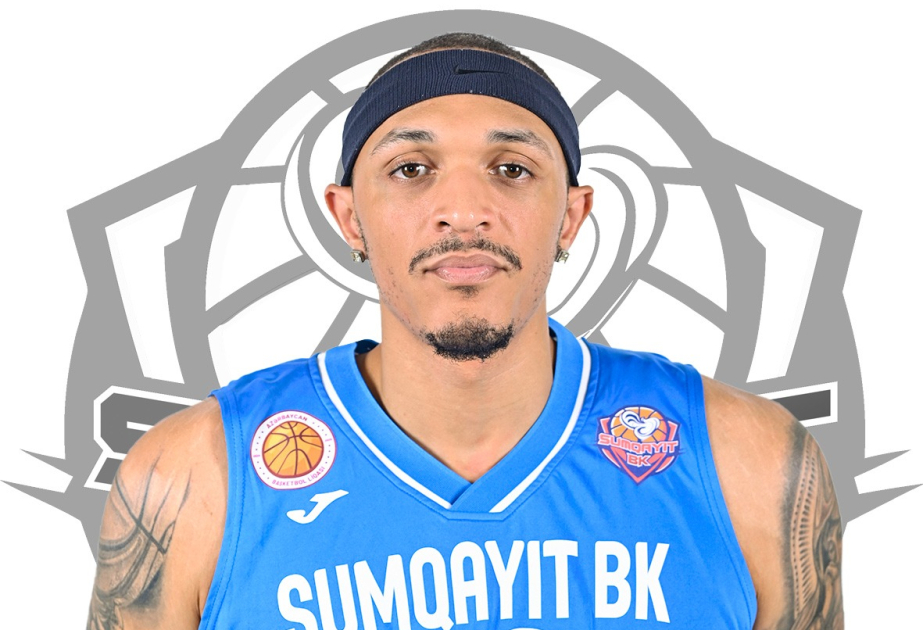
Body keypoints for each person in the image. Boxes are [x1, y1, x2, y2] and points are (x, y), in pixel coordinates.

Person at [86, 33, 843, 630]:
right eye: (411, 169)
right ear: (349, 217)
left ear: (571, 215)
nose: (463, 210)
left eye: (511, 169)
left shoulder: (747, 463)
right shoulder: (195, 478)